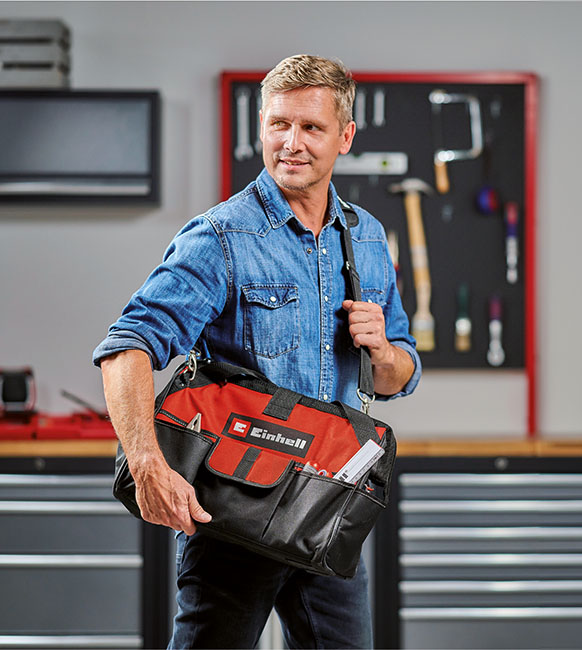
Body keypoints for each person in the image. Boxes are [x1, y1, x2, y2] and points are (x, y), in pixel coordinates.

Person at [93, 54, 421, 649]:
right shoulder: (221, 237)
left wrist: (381, 351)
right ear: (261, 127)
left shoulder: (368, 238)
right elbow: (127, 348)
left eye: (312, 128)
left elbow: (400, 373)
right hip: (232, 515)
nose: (291, 144)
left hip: (328, 512)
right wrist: (146, 464)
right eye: (278, 125)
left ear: (345, 136)